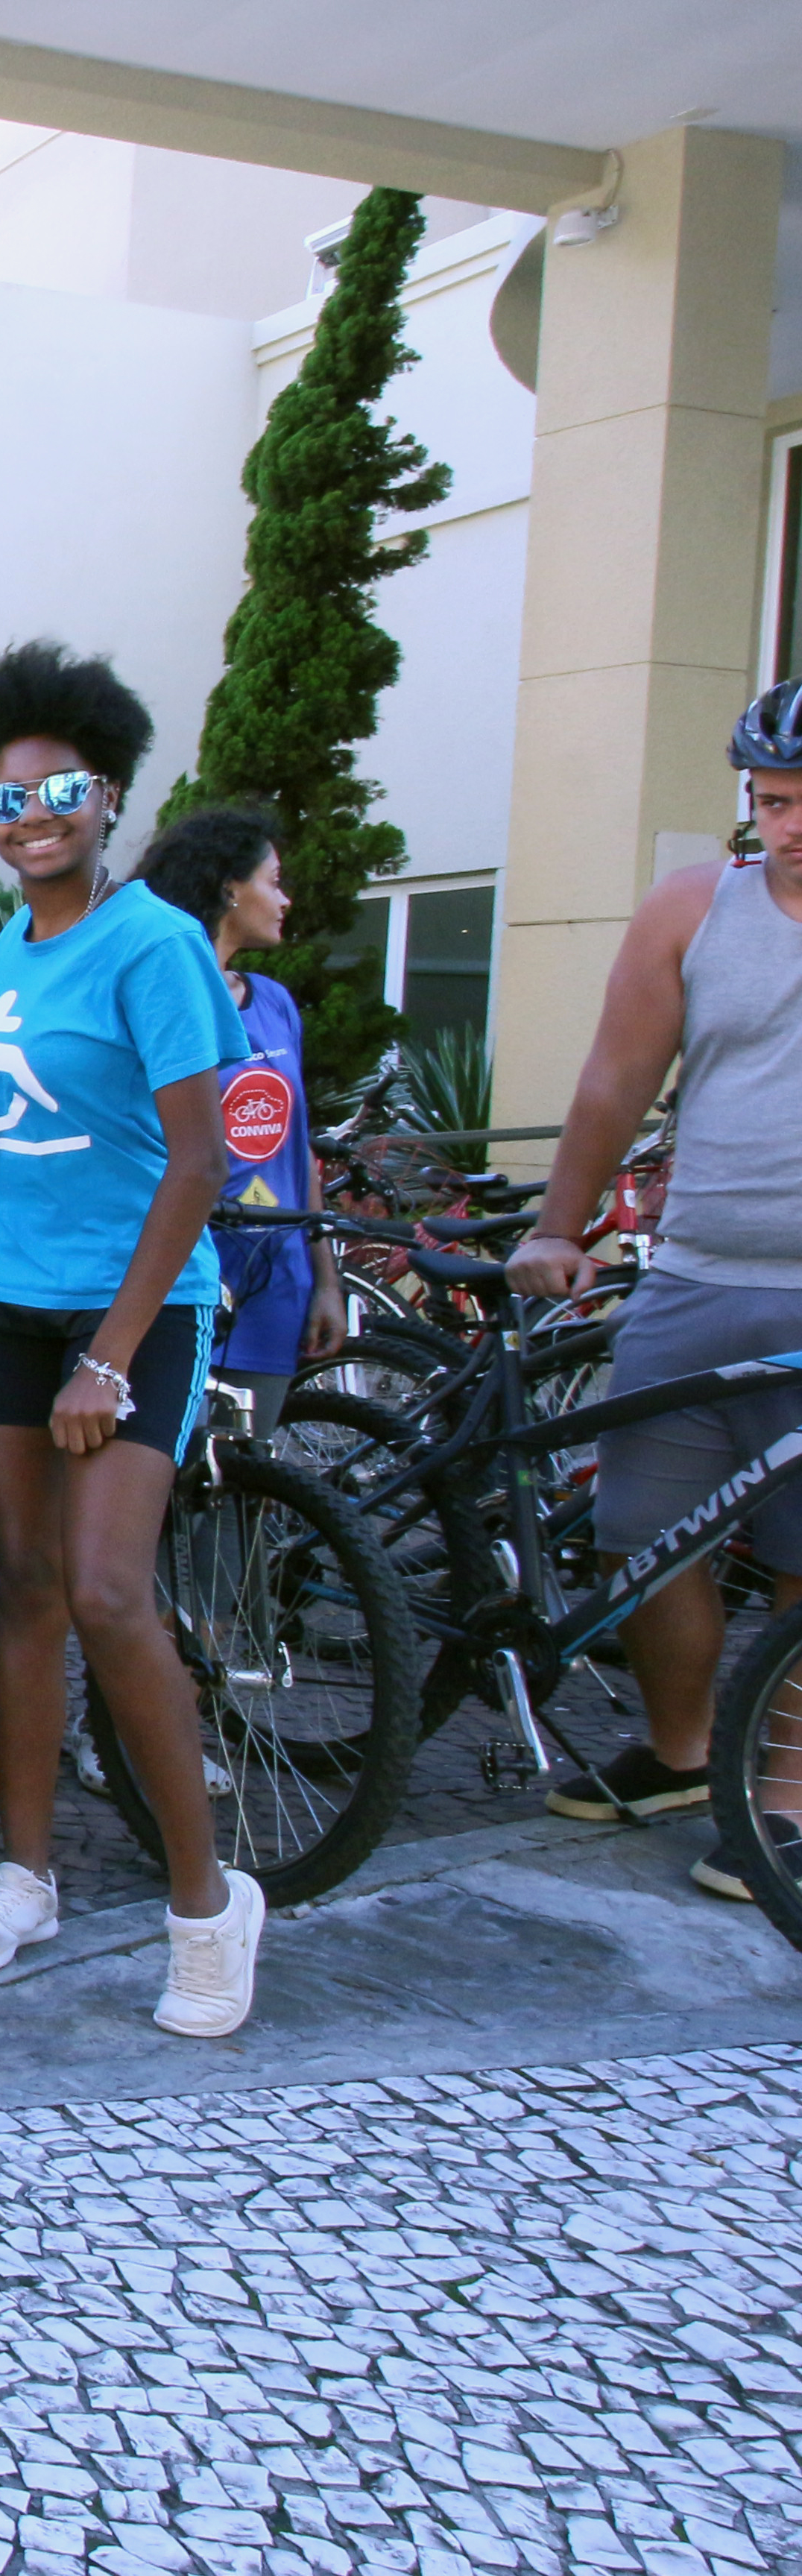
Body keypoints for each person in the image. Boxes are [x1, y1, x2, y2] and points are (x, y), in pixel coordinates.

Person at [0, 640, 262, 2038]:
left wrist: (109, 1357)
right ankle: (26, 1872)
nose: (30, 814)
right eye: (2, 798)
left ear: (106, 792)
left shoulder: (155, 942)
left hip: (129, 1315)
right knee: (24, 1587)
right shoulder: (1, 949)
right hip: (2, 1298)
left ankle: (204, 1905)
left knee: (112, 1592)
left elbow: (195, 1165)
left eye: (56, 789)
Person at [509, 681, 802, 1901]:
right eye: (771, 801)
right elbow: (609, 1083)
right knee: (639, 1533)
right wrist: (553, 1227)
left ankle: (779, 1797)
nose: (787, 824)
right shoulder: (692, 910)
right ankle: (682, 1754)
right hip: (687, 1275)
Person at [135, 805, 348, 1433]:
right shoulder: (153, 996)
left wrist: (324, 1278)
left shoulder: (275, 1002)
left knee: (242, 1490)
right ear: (230, 887)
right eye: (274, 880)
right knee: (162, 1499)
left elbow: (297, 1147)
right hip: (177, 1282)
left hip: (274, 1286)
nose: (285, 899)